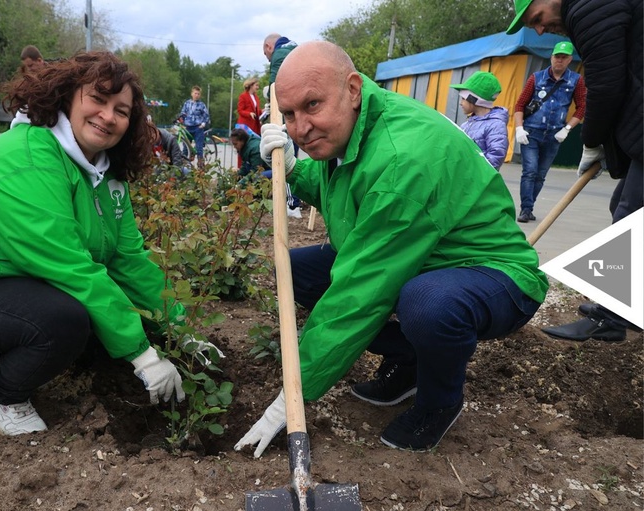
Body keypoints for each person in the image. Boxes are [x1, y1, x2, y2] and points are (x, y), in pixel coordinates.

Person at [233, 42, 547, 455]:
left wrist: (292, 398)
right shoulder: (356, 127)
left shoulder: (403, 158)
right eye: (289, 114)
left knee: (427, 304)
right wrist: (294, 168)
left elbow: (360, 292)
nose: (299, 127)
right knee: (295, 272)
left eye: (312, 105)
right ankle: (413, 360)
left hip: (492, 272)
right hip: (418, 255)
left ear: (351, 89)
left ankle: (439, 401)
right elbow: (341, 188)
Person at [0, 51, 223, 437]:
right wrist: (143, 356)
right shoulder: (26, 157)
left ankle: (3, 349)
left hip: (0, 287)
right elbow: (67, 266)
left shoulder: (106, 176)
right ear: (67, 97)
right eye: (97, 100)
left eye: (121, 110)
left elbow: (129, 260)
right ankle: (3, 396)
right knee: (65, 320)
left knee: (89, 320)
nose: (107, 116)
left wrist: (180, 329)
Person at [507, 0, 642, 341]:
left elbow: (607, 84)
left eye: (536, 18)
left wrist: (593, 140)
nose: (539, 29)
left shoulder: (587, 7)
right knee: (621, 206)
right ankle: (628, 310)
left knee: (631, 215)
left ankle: (612, 317)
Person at [513, 40, 586, 223]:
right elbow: (520, 104)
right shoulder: (536, 78)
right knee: (529, 171)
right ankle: (526, 209)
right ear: (551, 57)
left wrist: (567, 128)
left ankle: (529, 207)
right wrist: (519, 128)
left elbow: (583, 107)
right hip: (532, 132)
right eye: (556, 56)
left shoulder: (576, 81)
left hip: (555, 135)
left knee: (540, 174)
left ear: (570, 59)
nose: (559, 61)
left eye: (563, 57)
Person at [229, 128, 302, 218]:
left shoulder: (253, 148)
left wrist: (241, 184)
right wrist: (237, 176)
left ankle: (293, 207)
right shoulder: (245, 148)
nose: (234, 146)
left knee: (258, 177)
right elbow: (245, 166)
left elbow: (254, 171)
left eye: (235, 144)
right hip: (272, 168)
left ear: (242, 140)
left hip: (274, 169)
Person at [450, 71, 509, 170]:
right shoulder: (466, 124)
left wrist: (477, 175)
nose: (460, 103)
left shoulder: (496, 125)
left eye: (463, 99)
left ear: (474, 99)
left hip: (477, 180)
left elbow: (496, 156)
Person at [178, 86, 210, 169]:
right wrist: (181, 120)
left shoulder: (202, 105)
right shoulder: (187, 103)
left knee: (199, 147)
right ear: (192, 94)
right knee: (186, 147)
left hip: (197, 127)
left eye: (198, 94)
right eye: (195, 93)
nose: (197, 95)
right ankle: (184, 166)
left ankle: (201, 167)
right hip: (188, 127)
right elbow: (183, 113)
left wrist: (203, 123)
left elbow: (206, 115)